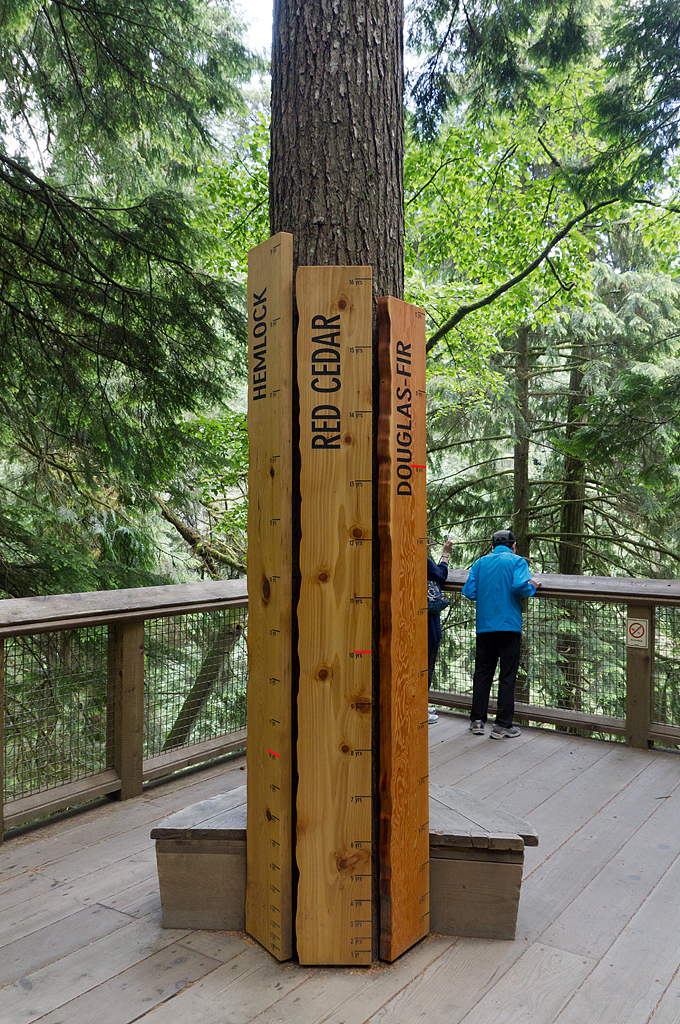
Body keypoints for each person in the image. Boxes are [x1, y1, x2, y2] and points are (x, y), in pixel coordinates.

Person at [462, 529, 541, 739]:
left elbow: (469, 592)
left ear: (492, 546)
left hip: (485, 627)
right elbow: (519, 586)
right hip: (509, 626)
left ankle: (477, 721)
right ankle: (502, 725)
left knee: (482, 673)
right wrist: (532, 586)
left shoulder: (479, 563)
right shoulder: (517, 561)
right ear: (513, 545)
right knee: (507, 676)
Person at [427, 536, 454, 722]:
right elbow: (441, 575)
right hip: (427, 623)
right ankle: (420, 706)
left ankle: (417, 703)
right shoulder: (422, 560)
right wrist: (446, 554)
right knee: (426, 664)